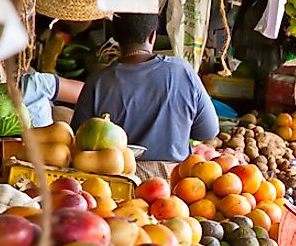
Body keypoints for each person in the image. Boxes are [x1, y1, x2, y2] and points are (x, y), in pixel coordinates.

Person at [71, 13, 219, 166]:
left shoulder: (97, 81)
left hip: (114, 181)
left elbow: (79, 139)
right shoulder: (182, 71)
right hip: (173, 184)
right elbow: (208, 131)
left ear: (114, 36)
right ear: (152, 36)